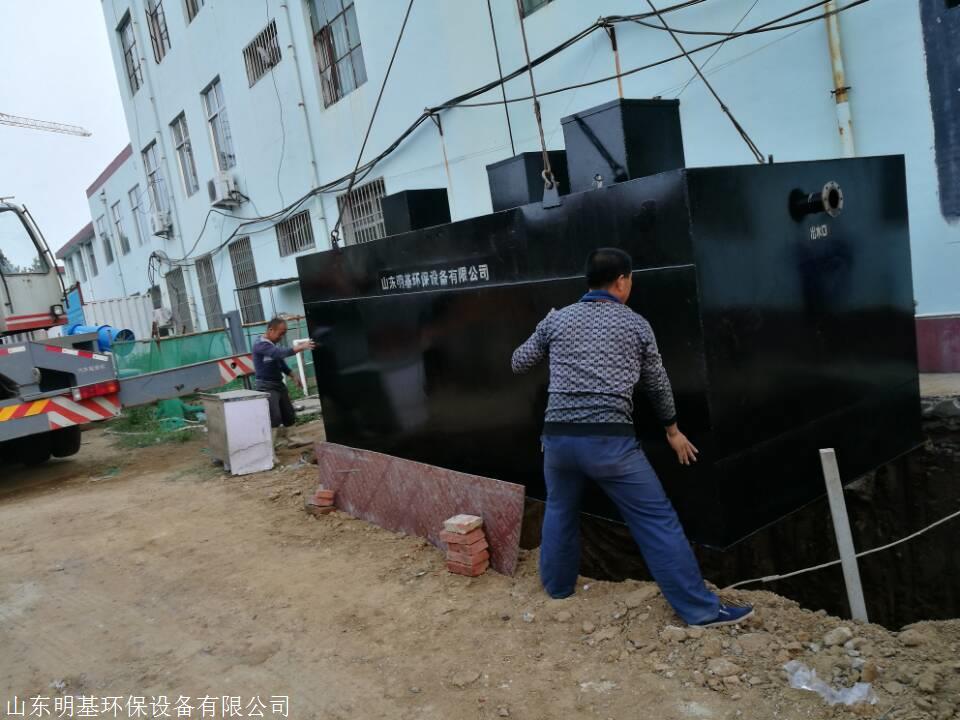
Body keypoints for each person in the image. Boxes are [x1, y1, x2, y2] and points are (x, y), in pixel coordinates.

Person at [511, 248, 753, 628]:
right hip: (610, 444)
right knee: (656, 520)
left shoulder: (558, 320)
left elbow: (518, 362)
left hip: (557, 441)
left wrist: (544, 325)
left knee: (559, 509)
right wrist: (672, 430)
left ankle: (557, 589)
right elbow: (657, 384)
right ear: (622, 282)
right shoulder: (636, 325)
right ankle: (701, 610)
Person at [252, 317, 315, 449]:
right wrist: (301, 347)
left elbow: (280, 362)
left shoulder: (271, 344)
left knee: (288, 412)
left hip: (277, 384)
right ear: (271, 330)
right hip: (266, 386)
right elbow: (278, 354)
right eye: (280, 334)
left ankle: (293, 439)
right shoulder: (260, 344)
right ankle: (269, 450)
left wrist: (293, 375)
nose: (281, 337)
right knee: (274, 416)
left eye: (284, 334)